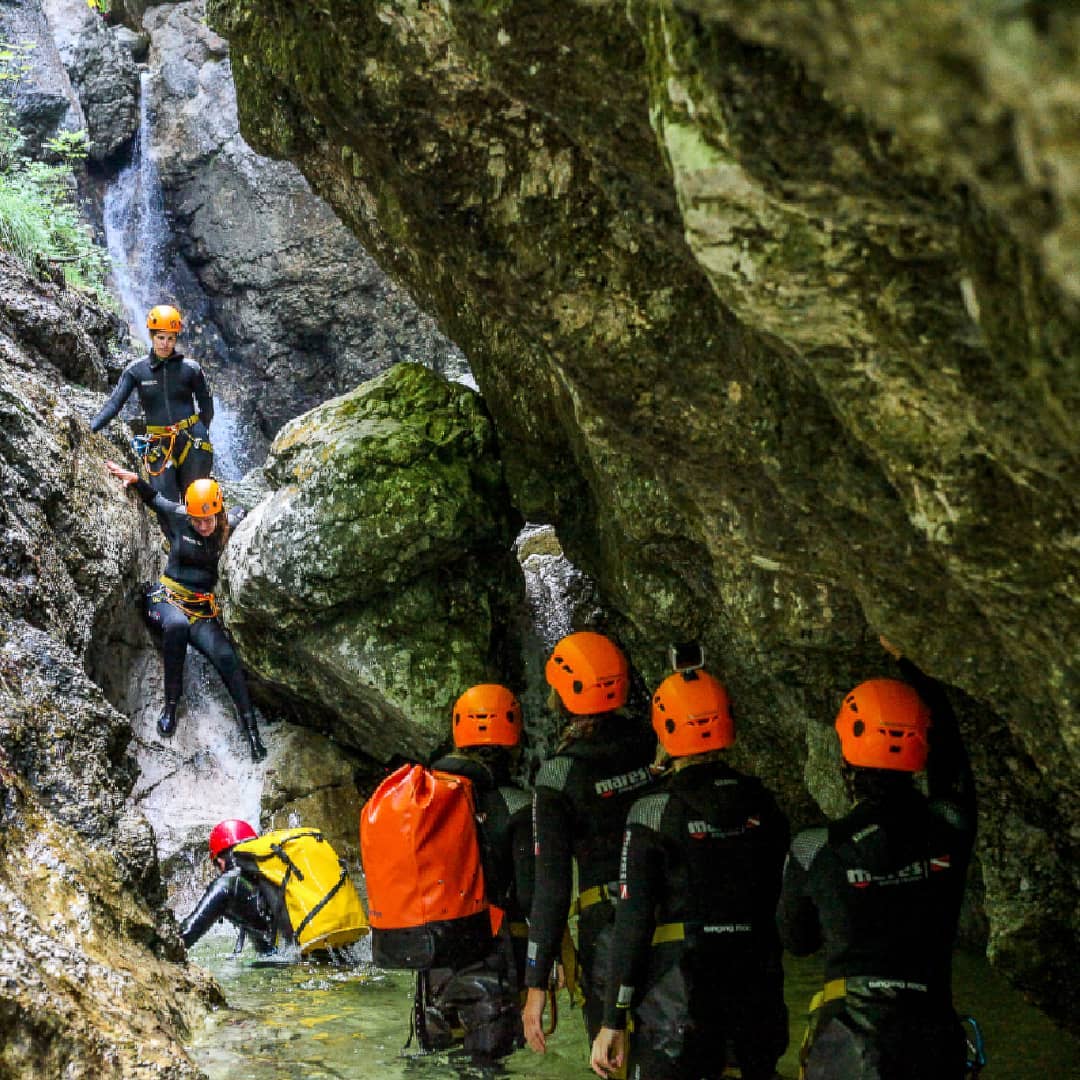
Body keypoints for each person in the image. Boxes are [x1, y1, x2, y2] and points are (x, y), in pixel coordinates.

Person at [776, 638, 977, 1079]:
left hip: (848, 1047)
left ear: (847, 756)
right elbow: (953, 761)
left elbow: (797, 940)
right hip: (931, 1035)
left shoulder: (815, 849)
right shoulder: (950, 826)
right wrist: (913, 666)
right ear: (920, 747)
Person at [590, 666, 790, 1080]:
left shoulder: (652, 811)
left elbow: (633, 920)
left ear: (665, 729)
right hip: (756, 994)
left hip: (678, 1000)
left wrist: (614, 1018)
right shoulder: (765, 804)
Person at [523, 631, 656, 1056]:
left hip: (610, 933)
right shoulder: (654, 742)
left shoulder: (560, 774)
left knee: (614, 1056)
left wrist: (535, 982)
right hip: (670, 918)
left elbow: (551, 889)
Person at [105, 460, 267, 761]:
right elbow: (155, 499)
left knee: (226, 656)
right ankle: (170, 706)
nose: (203, 526)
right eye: (198, 521)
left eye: (209, 520)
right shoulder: (182, 518)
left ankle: (252, 732)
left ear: (218, 513)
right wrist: (134, 479)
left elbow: (247, 514)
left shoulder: (228, 525)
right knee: (177, 626)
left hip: (200, 610)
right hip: (164, 599)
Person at [416, 683, 535, 1061]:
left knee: (439, 1063)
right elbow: (531, 895)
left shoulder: (426, 797)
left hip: (433, 961)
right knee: (487, 1066)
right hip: (492, 960)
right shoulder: (516, 804)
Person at [91, 306, 214, 532]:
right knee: (165, 507)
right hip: (159, 443)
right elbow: (114, 404)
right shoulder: (136, 371)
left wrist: (201, 433)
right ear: (151, 336)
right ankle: (177, 556)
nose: (165, 344)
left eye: (170, 338)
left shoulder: (191, 370)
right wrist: (90, 429)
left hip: (192, 439)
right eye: (160, 337)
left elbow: (207, 408)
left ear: (176, 338)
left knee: (198, 502)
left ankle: (205, 555)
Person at [180, 819, 287, 954]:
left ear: (220, 861)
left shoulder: (229, 883)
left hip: (285, 966)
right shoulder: (273, 877)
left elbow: (186, 935)